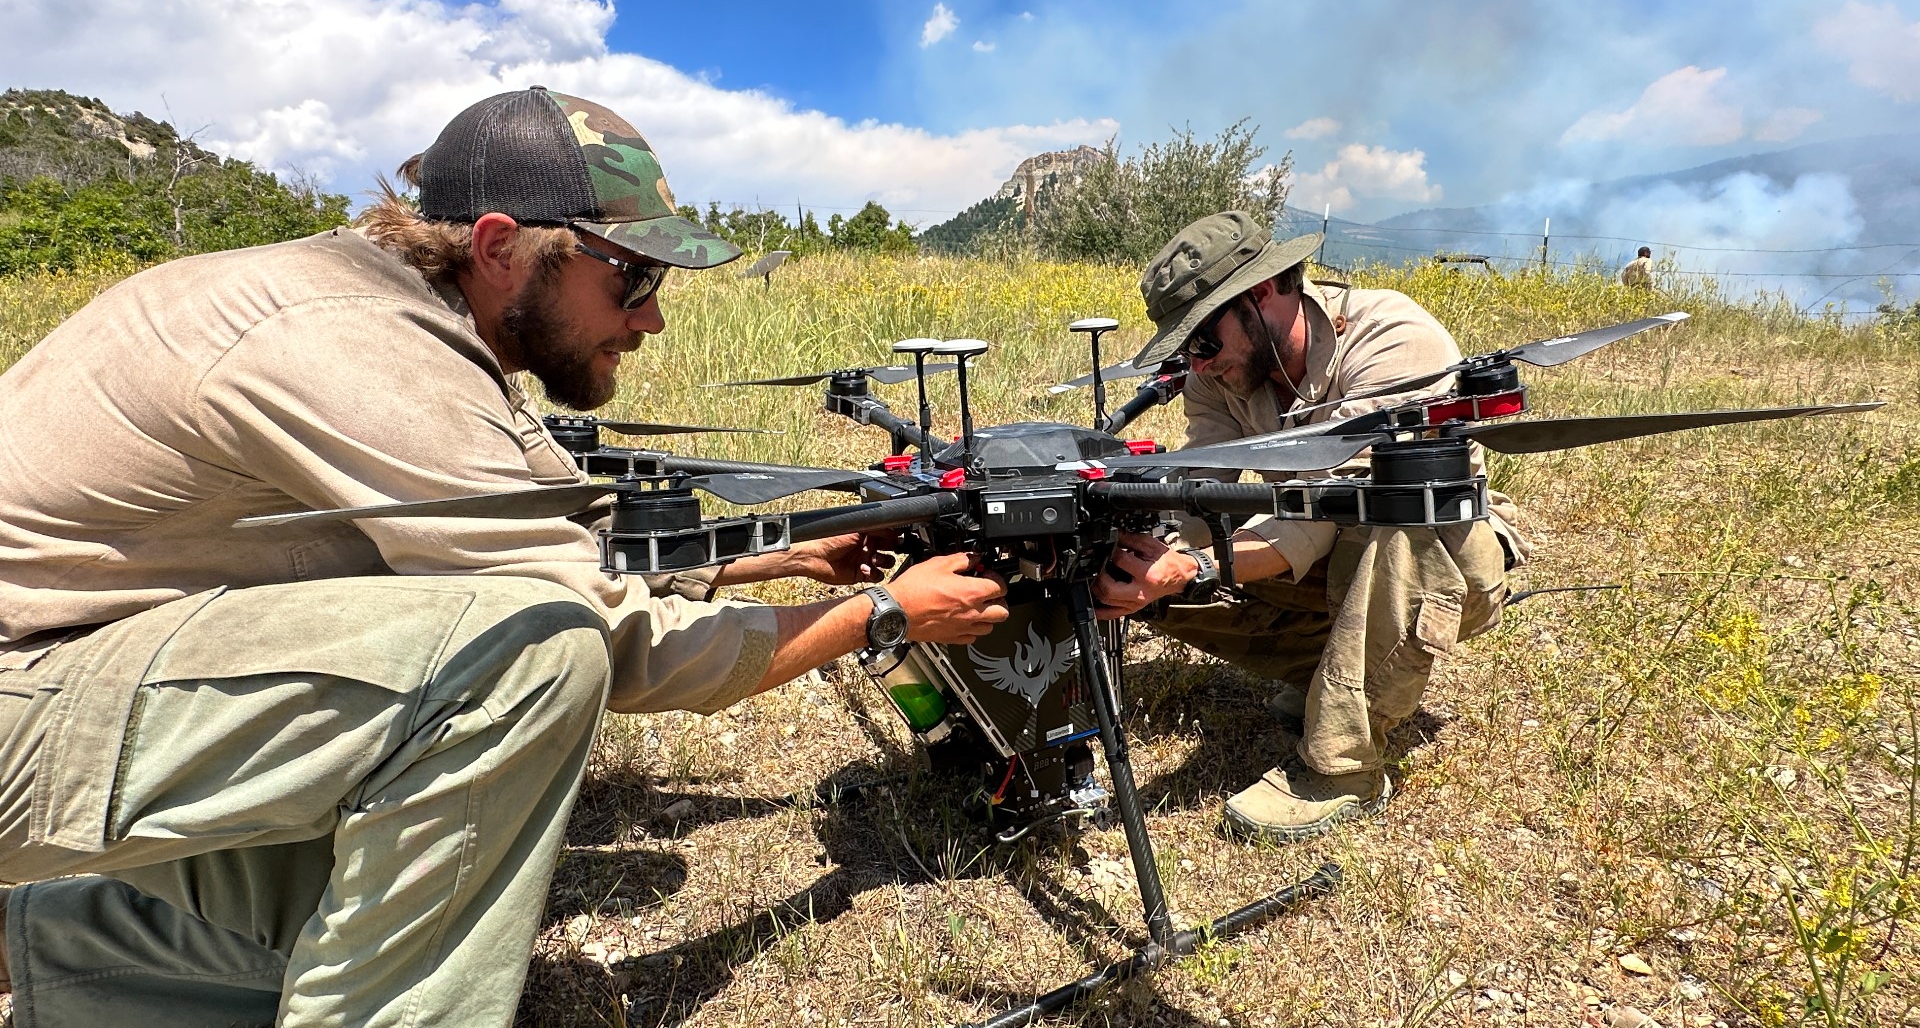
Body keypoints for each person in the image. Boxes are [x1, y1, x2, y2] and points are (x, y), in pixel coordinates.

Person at [0, 87, 1009, 1028]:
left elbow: (563, 539)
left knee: (396, 858)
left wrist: (785, 557)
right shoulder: (357, 348)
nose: (651, 316)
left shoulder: (402, 321)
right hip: (28, 696)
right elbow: (613, 640)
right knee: (529, 658)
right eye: (633, 275)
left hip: (70, 664)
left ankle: (63, 949)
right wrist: (882, 618)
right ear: (498, 247)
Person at [1092, 211, 1526, 842]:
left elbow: (1332, 503)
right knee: (1140, 566)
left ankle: (1341, 766)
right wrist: (1156, 557)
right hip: (1326, 549)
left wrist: (1200, 567)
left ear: (1262, 294)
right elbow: (1202, 484)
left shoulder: (1393, 338)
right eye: (1187, 350)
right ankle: (1331, 675)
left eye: (1204, 342)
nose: (1199, 365)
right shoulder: (1220, 374)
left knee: (1397, 517)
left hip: (1442, 553)